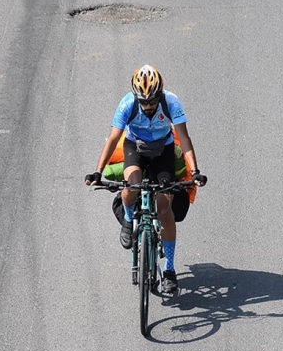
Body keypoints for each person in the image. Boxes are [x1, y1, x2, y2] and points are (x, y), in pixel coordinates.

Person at [85, 65, 207, 293]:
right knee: (131, 187)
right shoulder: (127, 105)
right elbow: (113, 139)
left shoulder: (171, 102)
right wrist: (98, 171)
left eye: (152, 101)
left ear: (159, 94)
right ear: (136, 97)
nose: (148, 107)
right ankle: (129, 220)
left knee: (164, 209)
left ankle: (169, 269)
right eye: (144, 102)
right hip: (135, 147)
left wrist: (196, 170)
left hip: (164, 151)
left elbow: (184, 137)